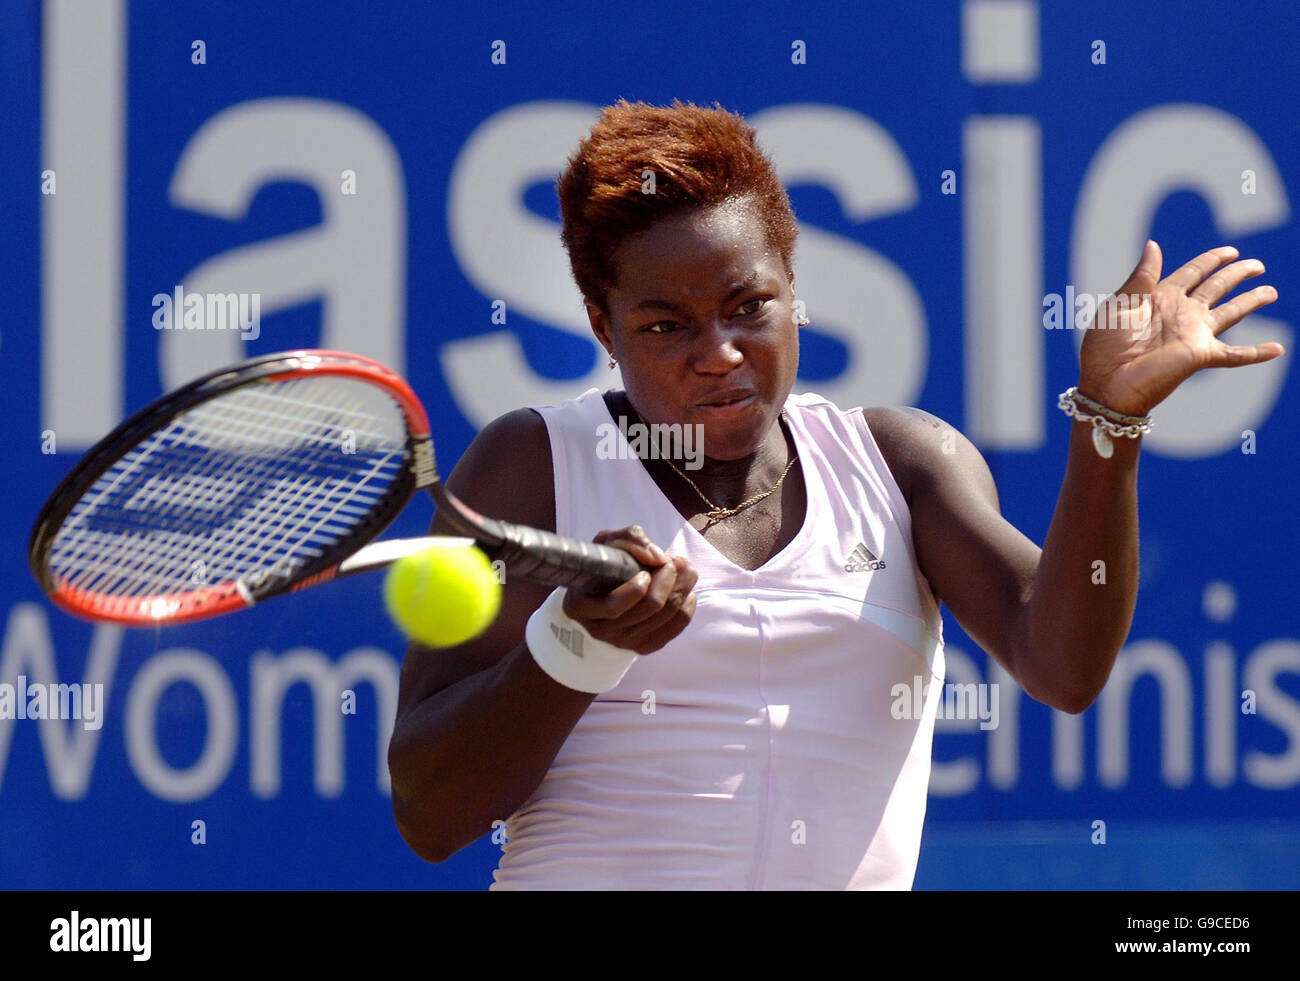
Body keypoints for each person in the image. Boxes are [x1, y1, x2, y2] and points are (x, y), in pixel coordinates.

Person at [387, 99, 1283, 889]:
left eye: (749, 306)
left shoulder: (901, 462)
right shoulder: (532, 466)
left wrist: (1107, 426)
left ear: (794, 293)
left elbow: (1064, 667)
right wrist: (576, 643)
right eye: (666, 325)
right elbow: (431, 816)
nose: (719, 352)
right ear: (603, 327)